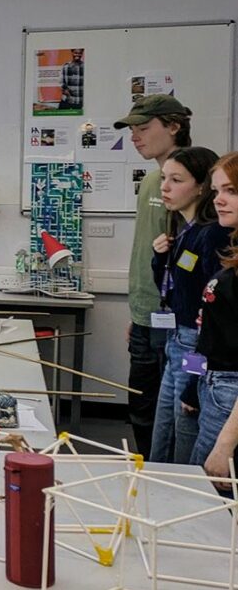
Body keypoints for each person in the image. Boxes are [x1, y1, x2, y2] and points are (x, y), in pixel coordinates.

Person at [114, 94, 194, 456]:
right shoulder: (151, 181)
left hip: (179, 322)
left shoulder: (195, 178)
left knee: (177, 412)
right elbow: (147, 249)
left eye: (144, 128)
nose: (135, 137)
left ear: (174, 127)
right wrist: (139, 312)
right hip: (147, 314)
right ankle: (147, 478)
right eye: (132, 130)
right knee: (143, 406)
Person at [149, 147, 228, 464]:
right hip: (176, 341)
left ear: (201, 186)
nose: (165, 188)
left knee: (184, 432)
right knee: (162, 434)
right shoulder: (185, 232)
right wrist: (159, 259)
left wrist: (196, 381)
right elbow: (173, 290)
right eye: (164, 179)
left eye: (176, 180)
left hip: (195, 347)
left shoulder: (212, 235)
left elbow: (212, 313)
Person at [191, 152, 238, 491]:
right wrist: (191, 384)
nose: (219, 200)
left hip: (229, 396)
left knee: (208, 494)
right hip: (213, 384)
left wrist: (225, 445)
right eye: (218, 190)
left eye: (232, 191)